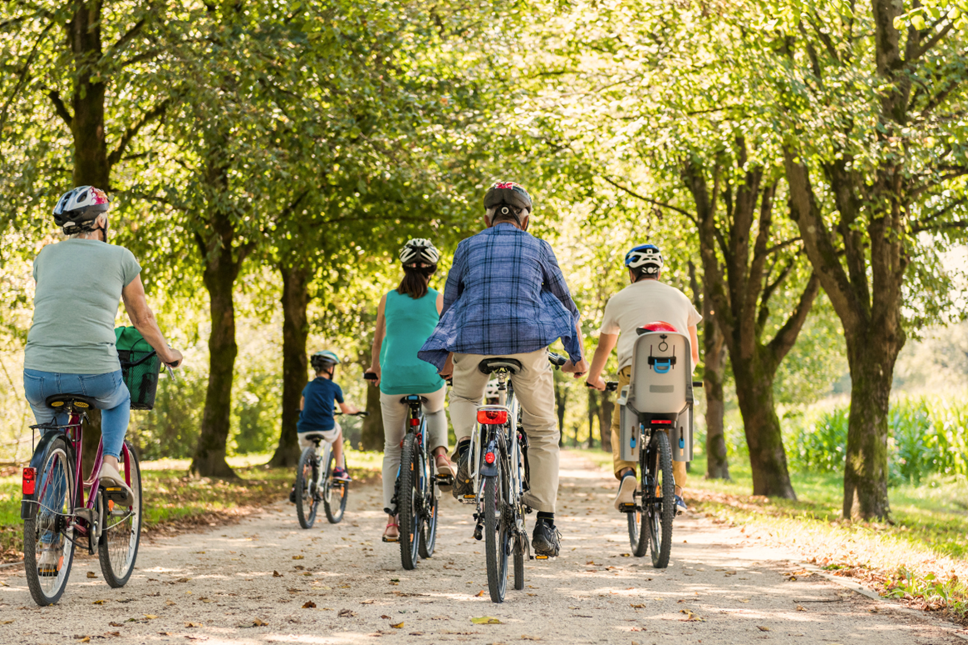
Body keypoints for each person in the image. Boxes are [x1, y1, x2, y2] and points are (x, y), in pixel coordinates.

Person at [418, 182, 588, 558]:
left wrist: (446, 350)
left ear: (487, 217)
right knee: (543, 430)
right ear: (525, 219)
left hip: (473, 343)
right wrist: (577, 357)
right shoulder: (539, 246)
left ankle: (465, 448)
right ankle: (545, 523)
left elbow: (451, 304)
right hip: (528, 345)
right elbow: (566, 305)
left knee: (464, 394)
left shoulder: (466, 247)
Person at [24, 186, 183, 507]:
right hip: (94, 371)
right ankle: (110, 462)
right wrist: (169, 355)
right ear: (98, 222)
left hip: (37, 375)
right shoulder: (121, 257)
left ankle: (49, 542)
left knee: (51, 440)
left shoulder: (44, 257)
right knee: (119, 397)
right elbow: (143, 319)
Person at [585, 243, 701, 512]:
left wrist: (594, 378)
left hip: (633, 375)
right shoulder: (681, 298)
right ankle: (677, 491)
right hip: (676, 377)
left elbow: (605, 348)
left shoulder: (618, 299)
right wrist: (684, 378)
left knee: (621, 422)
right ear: (659, 272)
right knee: (679, 424)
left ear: (631, 273)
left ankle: (627, 473)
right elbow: (693, 354)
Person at [367, 238, 454, 543]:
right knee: (436, 407)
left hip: (393, 380)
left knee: (393, 448)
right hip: (428, 375)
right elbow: (448, 341)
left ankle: (392, 521)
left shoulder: (387, 298)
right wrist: (449, 370)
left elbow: (379, 342)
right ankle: (441, 456)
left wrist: (375, 370)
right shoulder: (439, 298)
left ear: (403, 268)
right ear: (432, 270)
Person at [289, 350, 361, 502]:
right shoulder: (334, 387)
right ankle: (339, 469)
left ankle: (298, 484)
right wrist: (355, 410)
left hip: (303, 429)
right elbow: (345, 410)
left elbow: (302, 403)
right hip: (325, 427)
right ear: (330, 368)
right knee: (338, 429)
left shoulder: (308, 386)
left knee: (308, 459)